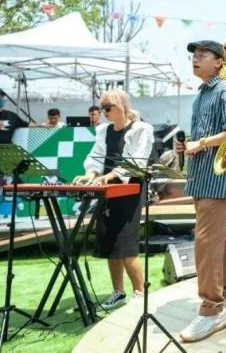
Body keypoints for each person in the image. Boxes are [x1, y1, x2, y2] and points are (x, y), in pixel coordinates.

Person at [175, 40, 226, 343]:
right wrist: (189, 145)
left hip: (217, 180)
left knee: (205, 242)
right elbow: (208, 136)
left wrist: (202, 143)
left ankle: (211, 309)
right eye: (193, 56)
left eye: (202, 55)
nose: (195, 59)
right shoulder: (202, 94)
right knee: (220, 238)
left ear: (219, 62)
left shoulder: (224, 91)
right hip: (202, 176)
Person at [73, 90, 153, 310]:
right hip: (107, 191)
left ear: (123, 106)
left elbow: (136, 161)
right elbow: (95, 157)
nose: (105, 112)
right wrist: (91, 174)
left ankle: (140, 292)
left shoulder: (141, 129)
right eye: (103, 108)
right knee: (110, 242)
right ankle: (118, 291)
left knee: (126, 242)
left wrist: (108, 176)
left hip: (130, 190)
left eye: (108, 107)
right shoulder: (103, 131)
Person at [0, 89, 33, 214]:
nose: (0, 100)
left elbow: (27, 125)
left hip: (2, 155)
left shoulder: (11, 116)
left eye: (2, 97)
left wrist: (44, 125)